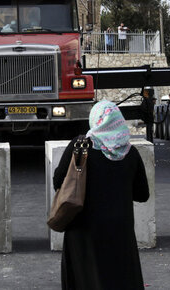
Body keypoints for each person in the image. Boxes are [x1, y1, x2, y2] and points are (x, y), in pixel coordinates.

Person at [53, 100, 149, 289]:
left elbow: (58, 182)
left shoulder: (80, 146)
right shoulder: (131, 153)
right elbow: (142, 194)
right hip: (120, 233)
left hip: (83, 232)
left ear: (95, 121)